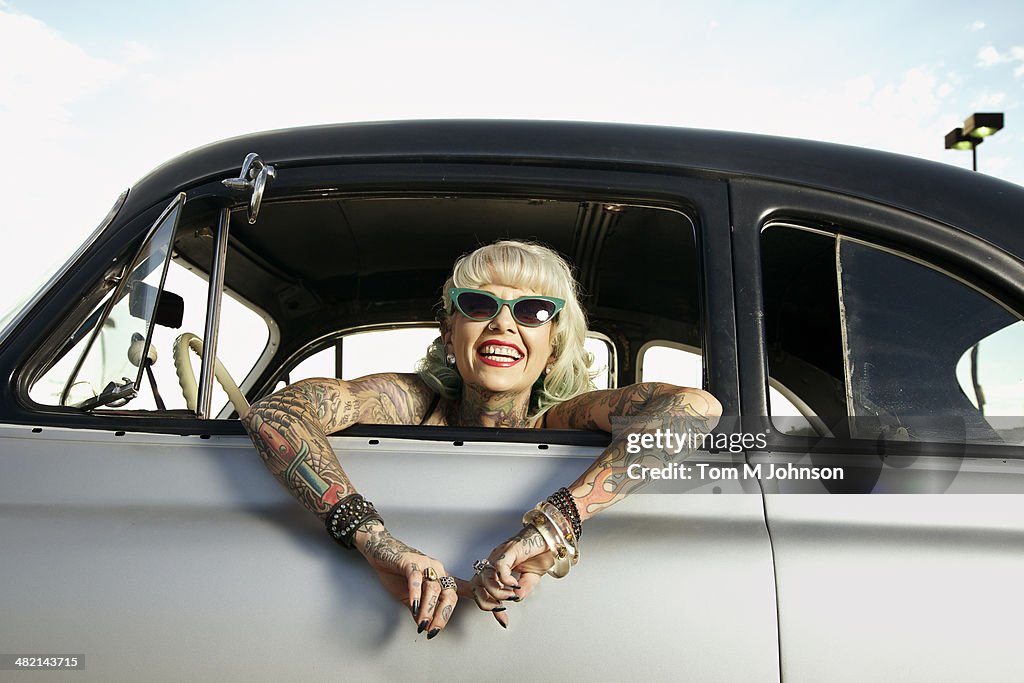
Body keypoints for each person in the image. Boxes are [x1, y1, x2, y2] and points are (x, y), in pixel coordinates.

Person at [240, 240, 721, 639]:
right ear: (449, 334)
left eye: (533, 311)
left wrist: (551, 527)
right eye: (479, 304)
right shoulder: (410, 401)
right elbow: (275, 413)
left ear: (553, 347)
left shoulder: (563, 421)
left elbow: (696, 408)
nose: (503, 323)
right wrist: (378, 543)